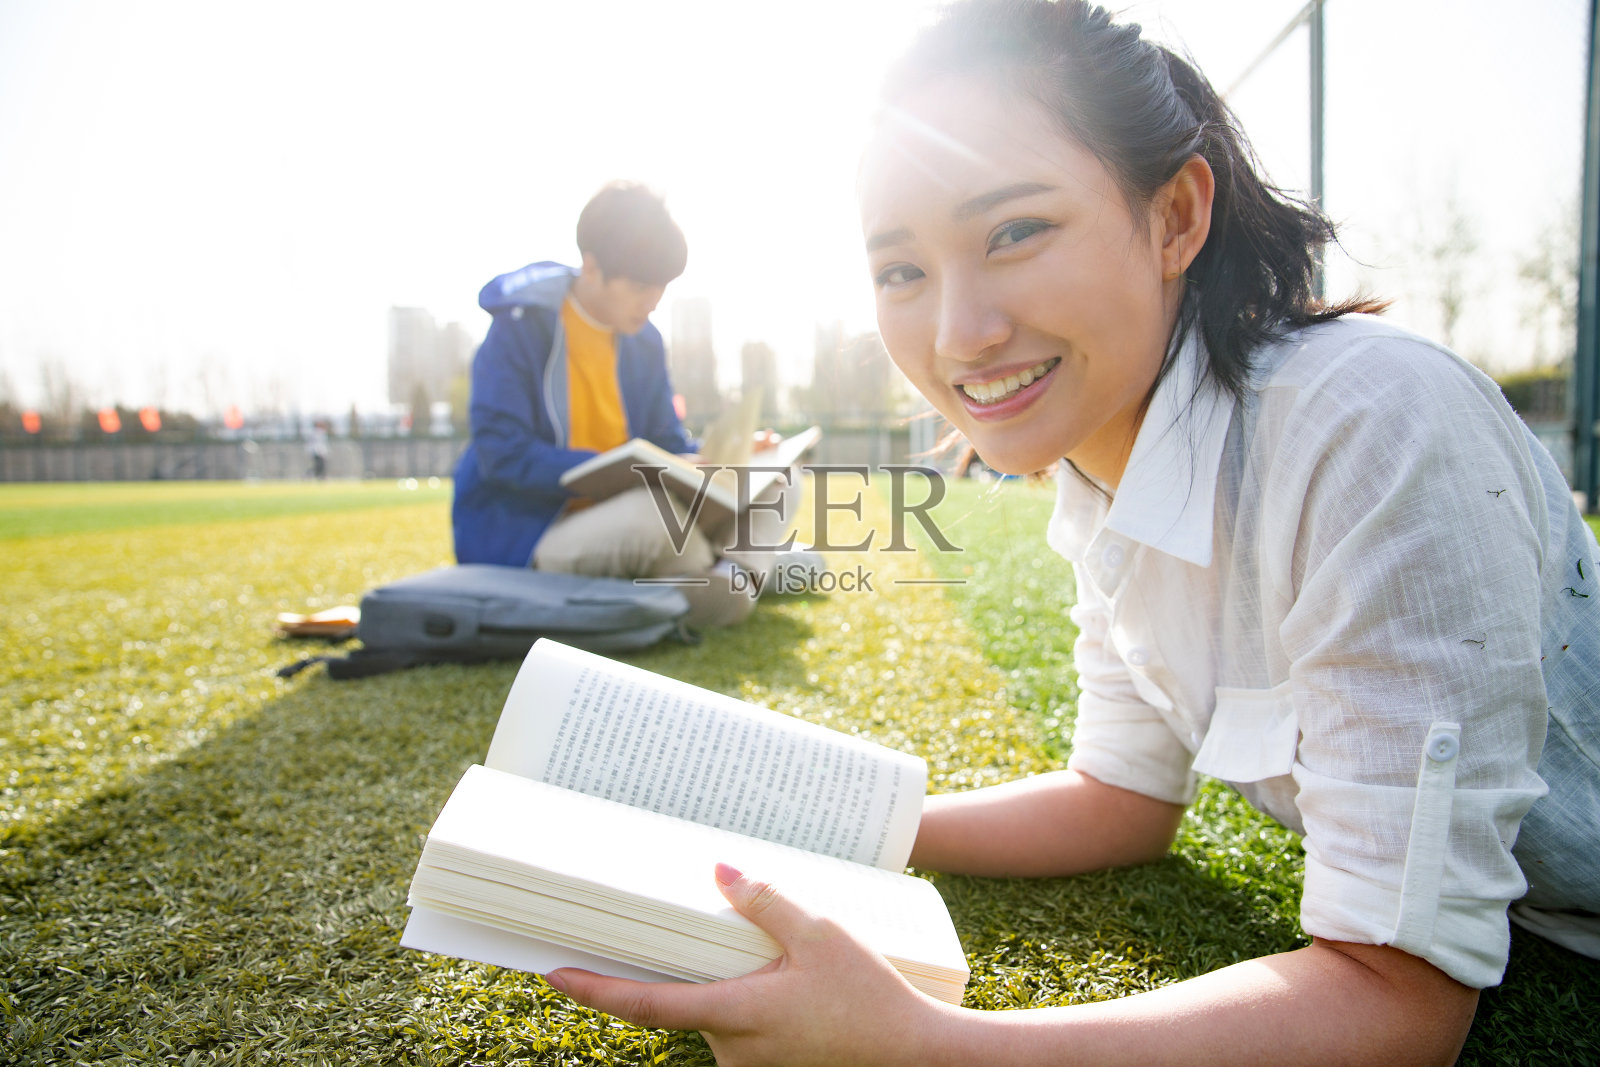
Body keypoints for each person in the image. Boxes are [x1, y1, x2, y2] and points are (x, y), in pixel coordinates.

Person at [541, 1, 1600, 1062]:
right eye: (902, 270)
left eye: (1014, 232)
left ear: (1176, 217)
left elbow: (1398, 1001)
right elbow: (1119, 798)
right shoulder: (1101, 470)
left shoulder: (1373, 424)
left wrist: (930, 1046)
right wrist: (825, 825)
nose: (959, 334)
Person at [451, 181, 801, 627]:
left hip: (646, 509)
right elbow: (501, 454)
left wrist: (725, 457)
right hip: (537, 528)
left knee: (782, 475)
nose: (652, 301)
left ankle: (729, 576)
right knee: (656, 523)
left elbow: (666, 444)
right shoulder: (520, 328)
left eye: (661, 287)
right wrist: (620, 472)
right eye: (639, 286)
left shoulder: (644, 341)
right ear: (591, 267)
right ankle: (730, 572)